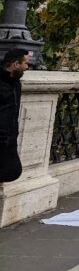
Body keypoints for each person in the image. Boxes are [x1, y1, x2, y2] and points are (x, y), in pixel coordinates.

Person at [0, 49, 28, 183]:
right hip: (2, 138)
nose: (27, 67)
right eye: (25, 63)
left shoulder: (16, 83)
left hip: (10, 139)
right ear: (16, 64)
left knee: (13, 171)